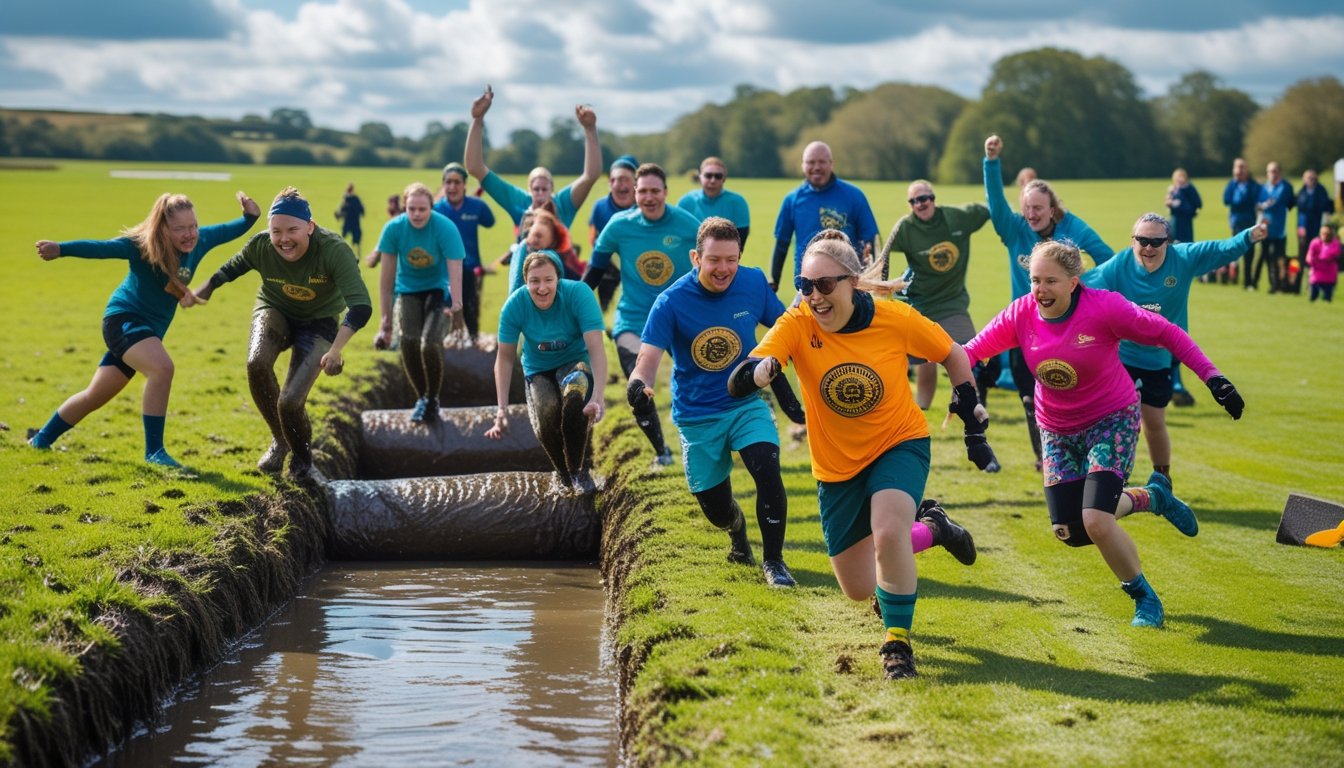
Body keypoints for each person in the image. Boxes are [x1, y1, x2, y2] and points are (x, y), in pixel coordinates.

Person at [731, 230, 988, 679]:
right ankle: (933, 529)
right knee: (859, 586)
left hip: (898, 443)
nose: (814, 297)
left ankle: (897, 647)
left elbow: (953, 353)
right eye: (805, 285)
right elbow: (740, 375)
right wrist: (759, 373)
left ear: (851, 282)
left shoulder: (895, 319)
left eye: (825, 285)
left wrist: (967, 401)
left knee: (887, 535)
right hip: (836, 466)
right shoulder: (797, 323)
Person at [965, 239, 1245, 630]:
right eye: (1034, 280)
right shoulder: (1021, 313)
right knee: (1070, 531)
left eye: (1051, 281)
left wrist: (1214, 379)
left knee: (1096, 519)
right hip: (1056, 429)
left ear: (1074, 281)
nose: (1040, 290)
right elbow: (969, 350)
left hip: (1110, 419)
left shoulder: (1105, 307)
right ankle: (1153, 497)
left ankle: (1144, 598)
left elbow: (1169, 333)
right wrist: (943, 371)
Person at [628, 217, 807, 587]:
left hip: (746, 403)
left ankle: (774, 563)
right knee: (716, 509)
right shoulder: (670, 302)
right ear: (696, 257)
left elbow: (786, 328)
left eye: (732, 259)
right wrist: (637, 388)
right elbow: (645, 364)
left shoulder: (753, 282)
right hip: (698, 415)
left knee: (767, 471)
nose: (724, 269)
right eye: (714, 260)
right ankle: (737, 531)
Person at [27, 192, 260, 467]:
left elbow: (234, 228)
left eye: (193, 226)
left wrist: (251, 215)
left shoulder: (201, 240)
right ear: (163, 228)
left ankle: (40, 440)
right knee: (162, 369)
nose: (190, 234)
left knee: (94, 395)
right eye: (180, 229)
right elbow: (101, 248)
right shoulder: (142, 246)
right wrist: (61, 248)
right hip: (123, 320)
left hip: (148, 330)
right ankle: (154, 453)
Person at [193, 187, 372, 482]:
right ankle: (280, 441)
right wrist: (207, 288)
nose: (283, 239)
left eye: (292, 230)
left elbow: (361, 306)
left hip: (319, 322)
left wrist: (336, 350)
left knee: (289, 402)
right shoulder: (262, 245)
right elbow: (235, 265)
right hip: (275, 309)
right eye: (276, 231)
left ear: (310, 228)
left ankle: (302, 461)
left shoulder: (334, 250)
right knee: (256, 364)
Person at [1081, 212, 1266, 483]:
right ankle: (1105, 478)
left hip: (1161, 356)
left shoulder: (1183, 258)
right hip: (1123, 356)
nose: (1149, 248)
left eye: (1157, 242)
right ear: (1132, 241)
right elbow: (1083, 289)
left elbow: (1219, 250)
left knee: (1153, 421)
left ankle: (1162, 481)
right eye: (1142, 240)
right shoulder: (1118, 265)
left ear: (1168, 242)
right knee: (1115, 419)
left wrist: (1248, 236)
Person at [982, 134, 1115, 470]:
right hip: (1026, 326)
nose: (1031, 214)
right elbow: (997, 204)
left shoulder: (1072, 227)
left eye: (1037, 208)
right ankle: (1046, 458)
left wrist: (1079, 286)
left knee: (1072, 389)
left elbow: (1109, 260)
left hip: (1073, 325)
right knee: (1030, 395)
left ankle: (1086, 452)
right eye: (1027, 208)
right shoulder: (1014, 230)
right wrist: (991, 162)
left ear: (1052, 209)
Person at [582, 163, 702, 467]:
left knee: (698, 384)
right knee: (638, 388)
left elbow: (714, 265)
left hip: (681, 321)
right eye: (643, 191)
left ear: (665, 193)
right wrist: (574, 308)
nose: (649, 197)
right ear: (635, 192)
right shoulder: (619, 226)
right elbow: (593, 274)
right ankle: (663, 452)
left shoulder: (689, 226)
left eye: (655, 191)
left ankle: (704, 443)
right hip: (634, 322)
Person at [485, 250, 606, 493]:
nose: (542, 288)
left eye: (548, 280)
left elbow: (596, 348)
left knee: (574, 396)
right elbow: (505, 359)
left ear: (558, 279)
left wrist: (598, 397)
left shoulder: (578, 293)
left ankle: (578, 472)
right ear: (525, 281)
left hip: (574, 361)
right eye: (534, 281)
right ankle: (563, 474)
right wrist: (501, 409)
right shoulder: (515, 306)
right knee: (546, 413)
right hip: (537, 368)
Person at [879, 179, 994, 415]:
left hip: (952, 302)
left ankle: (970, 405)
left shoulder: (957, 217)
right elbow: (883, 257)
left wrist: (1017, 220)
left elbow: (993, 209)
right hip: (920, 303)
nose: (921, 204)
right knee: (923, 358)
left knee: (969, 353)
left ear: (933, 198)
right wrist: (885, 285)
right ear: (910, 205)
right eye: (914, 201)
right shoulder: (905, 228)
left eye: (925, 198)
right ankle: (922, 409)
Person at [373, 182, 466, 423]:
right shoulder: (394, 229)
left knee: (429, 343)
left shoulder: (445, 228)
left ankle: (433, 398)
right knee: (408, 340)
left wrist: (457, 306)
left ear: (431, 208)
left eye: (422, 209)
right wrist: (385, 323)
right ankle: (422, 398)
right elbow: (386, 282)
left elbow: (455, 270)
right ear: (404, 208)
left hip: (438, 289)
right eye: (411, 209)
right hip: (408, 289)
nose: (416, 214)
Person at [464, 84, 600, 233]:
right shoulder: (519, 202)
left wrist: (590, 129)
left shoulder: (564, 204)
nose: (540, 194)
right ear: (529, 190)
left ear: (552, 190)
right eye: (536, 189)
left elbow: (591, 175)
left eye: (544, 189)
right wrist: (477, 120)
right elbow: (474, 167)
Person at [769, 141, 880, 292]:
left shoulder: (854, 195)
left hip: (846, 285)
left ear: (831, 164)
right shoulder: (792, 200)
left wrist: (870, 282)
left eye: (822, 162)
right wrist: (774, 280)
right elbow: (782, 244)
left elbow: (870, 241)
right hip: (807, 286)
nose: (816, 167)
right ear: (803, 165)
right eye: (811, 162)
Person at [433, 162, 496, 339]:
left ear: (464, 185)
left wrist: (478, 201)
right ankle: (443, 346)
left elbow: (490, 222)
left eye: (457, 182)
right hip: (442, 268)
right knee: (443, 308)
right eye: (448, 182)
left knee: (470, 307)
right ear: (443, 184)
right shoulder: (436, 209)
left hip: (470, 266)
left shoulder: (476, 206)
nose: (452, 186)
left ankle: (474, 343)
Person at [588, 155, 638, 313]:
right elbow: (592, 236)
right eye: (616, 179)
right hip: (607, 263)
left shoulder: (644, 207)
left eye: (626, 179)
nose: (620, 184)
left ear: (636, 183)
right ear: (610, 183)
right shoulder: (600, 206)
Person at [677, 157, 751, 247]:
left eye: (718, 176)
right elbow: (677, 235)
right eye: (708, 176)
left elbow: (740, 242)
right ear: (700, 177)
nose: (713, 180)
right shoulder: (686, 202)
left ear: (724, 179)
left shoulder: (738, 203)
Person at [1253, 162, 1294, 293]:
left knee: (1279, 258)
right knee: (1263, 256)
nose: (1273, 174)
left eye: (1275, 171)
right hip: (1264, 228)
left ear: (1279, 172)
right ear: (1267, 173)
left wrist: (1264, 205)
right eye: (1270, 171)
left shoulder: (1285, 186)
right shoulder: (1264, 187)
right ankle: (1256, 282)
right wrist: (1264, 205)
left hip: (1279, 229)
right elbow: (1258, 203)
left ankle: (1279, 285)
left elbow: (1277, 201)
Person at [1295, 169, 1336, 295]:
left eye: (1313, 177)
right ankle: (1298, 286)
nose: (1310, 180)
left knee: (1318, 259)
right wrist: (1300, 226)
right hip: (1303, 230)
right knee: (1302, 259)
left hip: (1317, 230)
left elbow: (1328, 208)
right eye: (1308, 177)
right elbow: (1300, 211)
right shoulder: (1302, 192)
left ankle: (1318, 287)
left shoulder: (1321, 191)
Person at [1222, 158, 1261, 288]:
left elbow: (1257, 198)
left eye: (1242, 167)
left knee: (1249, 252)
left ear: (1246, 169)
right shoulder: (1232, 185)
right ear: (1234, 170)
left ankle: (1248, 282)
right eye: (1238, 167)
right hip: (1236, 223)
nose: (1240, 170)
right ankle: (1231, 278)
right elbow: (1226, 200)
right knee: (1235, 250)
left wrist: (1240, 201)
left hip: (1250, 223)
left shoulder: (1253, 185)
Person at [1165, 168, 1202, 244]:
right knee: (1174, 241)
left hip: (1186, 219)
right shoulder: (1173, 189)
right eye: (1178, 177)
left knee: (1186, 241)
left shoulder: (1189, 188)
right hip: (1175, 219)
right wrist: (1170, 202)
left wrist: (1190, 210)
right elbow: (1167, 202)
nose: (1180, 179)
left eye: (1182, 177)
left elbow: (1198, 203)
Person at [1305, 223, 1340, 303]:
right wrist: (1312, 261)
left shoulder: (1335, 244)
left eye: (1327, 234)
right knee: (1313, 297)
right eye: (1323, 233)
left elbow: (1326, 256)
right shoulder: (1315, 242)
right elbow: (1309, 257)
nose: (1325, 236)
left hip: (1329, 276)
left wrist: (1317, 259)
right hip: (1316, 275)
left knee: (1327, 299)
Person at [335, 183, 365, 257]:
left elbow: (341, 212)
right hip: (353, 222)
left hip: (350, 222)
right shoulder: (354, 199)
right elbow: (362, 210)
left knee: (348, 237)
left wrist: (339, 215)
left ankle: (356, 253)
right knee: (356, 239)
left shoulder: (347, 200)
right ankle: (357, 253)